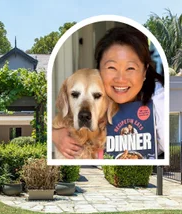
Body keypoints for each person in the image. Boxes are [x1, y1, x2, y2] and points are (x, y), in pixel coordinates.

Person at [52, 26, 165, 159]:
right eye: (112, 67)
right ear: (99, 69)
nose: (120, 79)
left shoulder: (160, 101)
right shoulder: (100, 87)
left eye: (130, 68)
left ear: (144, 71)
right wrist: (54, 133)